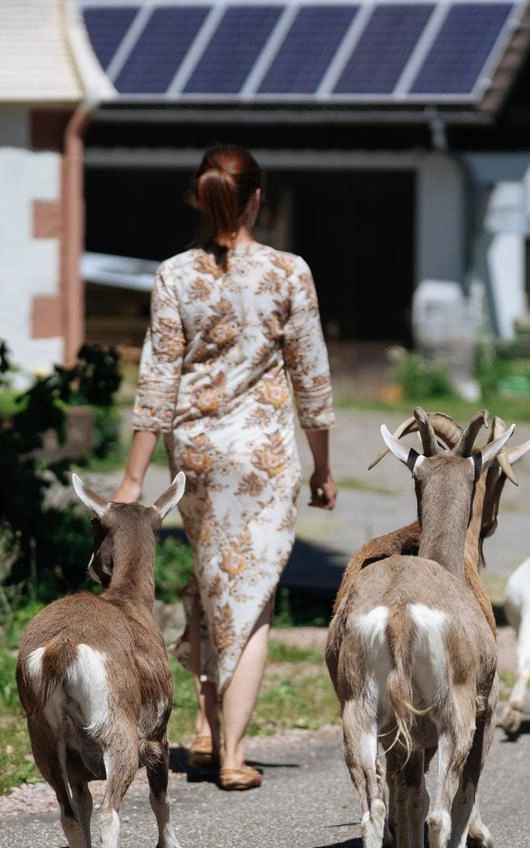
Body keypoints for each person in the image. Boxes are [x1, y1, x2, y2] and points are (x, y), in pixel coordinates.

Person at [111, 144, 336, 791]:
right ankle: (233, 754)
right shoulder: (289, 273)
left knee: (214, 583)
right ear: (257, 198)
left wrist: (134, 476)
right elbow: (311, 378)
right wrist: (323, 467)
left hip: (197, 456)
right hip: (261, 459)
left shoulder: (175, 275)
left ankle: (207, 732)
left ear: (201, 197)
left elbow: (158, 381)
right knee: (251, 598)